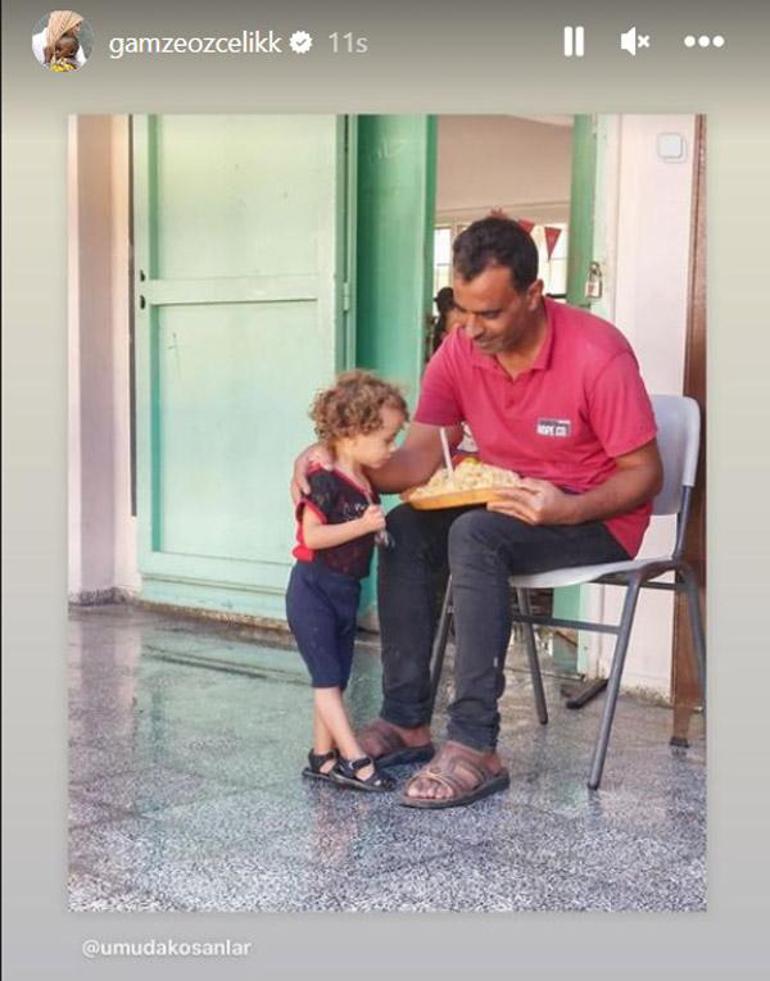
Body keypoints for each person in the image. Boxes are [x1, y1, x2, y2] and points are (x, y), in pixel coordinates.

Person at [292, 216, 662, 810]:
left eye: (488, 313)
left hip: (594, 518)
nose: (470, 328)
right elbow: (418, 459)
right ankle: (406, 721)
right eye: (461, 311)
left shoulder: (598, 354)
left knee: (475, 535)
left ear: (534, 294)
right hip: (500, 507)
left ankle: (475, 743)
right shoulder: (460, 350)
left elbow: (645, 475)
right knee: (405, 526)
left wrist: (568, 508)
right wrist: (332, 462)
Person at [286, 370, 408, 792]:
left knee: (335, 677)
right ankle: (355, 759)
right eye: (386, 439)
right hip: (313, 589)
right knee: (325, 679)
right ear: (353, 434)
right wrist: (364, 526)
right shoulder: (324, 479)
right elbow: (312, 537)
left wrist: (374, 531)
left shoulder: (364, 484)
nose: (392, 448)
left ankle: (322, 757)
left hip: (344, 591)